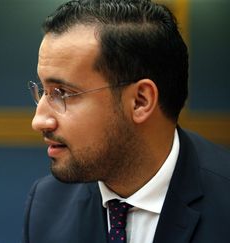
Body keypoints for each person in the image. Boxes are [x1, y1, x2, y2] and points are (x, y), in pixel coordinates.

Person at [22, 0, 230, 242]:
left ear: (140, 101)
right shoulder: (47, 205)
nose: (39, 121)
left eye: (63, 93)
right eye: (43, 91)